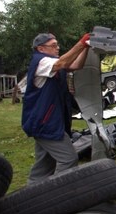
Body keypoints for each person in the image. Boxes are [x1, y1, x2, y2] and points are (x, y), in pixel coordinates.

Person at [21, 32, 91, 183]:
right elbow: (63, 64)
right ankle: (57, 193)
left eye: (57, 45)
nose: (57, 48)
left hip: (49, 121)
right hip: (44, 122)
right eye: (53, 45)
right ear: (40, 48)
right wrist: (81, 43)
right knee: (68, 159)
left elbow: (76, 65)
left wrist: (87, 47)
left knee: (44, 166)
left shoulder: (52, 63)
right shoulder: (41, 61)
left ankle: (31, 197)